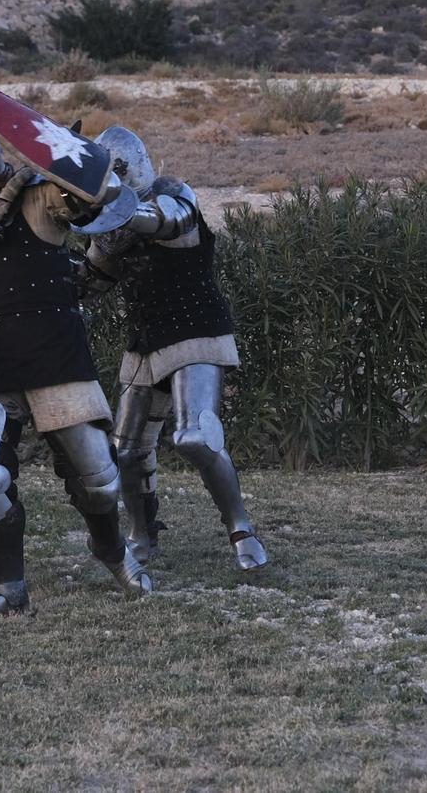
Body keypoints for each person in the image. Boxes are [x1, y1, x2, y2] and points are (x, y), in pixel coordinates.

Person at [0, 114, 151, 618]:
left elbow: (91, 198)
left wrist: (71, 161)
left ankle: (113, 552)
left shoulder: (39, 200)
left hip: (53, 357)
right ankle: (8, 590)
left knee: (100, 482)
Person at [77, 126, 267, 571]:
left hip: (195, 331)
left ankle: (242, 531)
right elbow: (89, 282)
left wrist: (108, 215)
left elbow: (167, 221)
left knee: (195, 437)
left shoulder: (170, 193)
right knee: (126, 451)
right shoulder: (109, 230)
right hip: (146, 342)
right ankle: (141, 536)